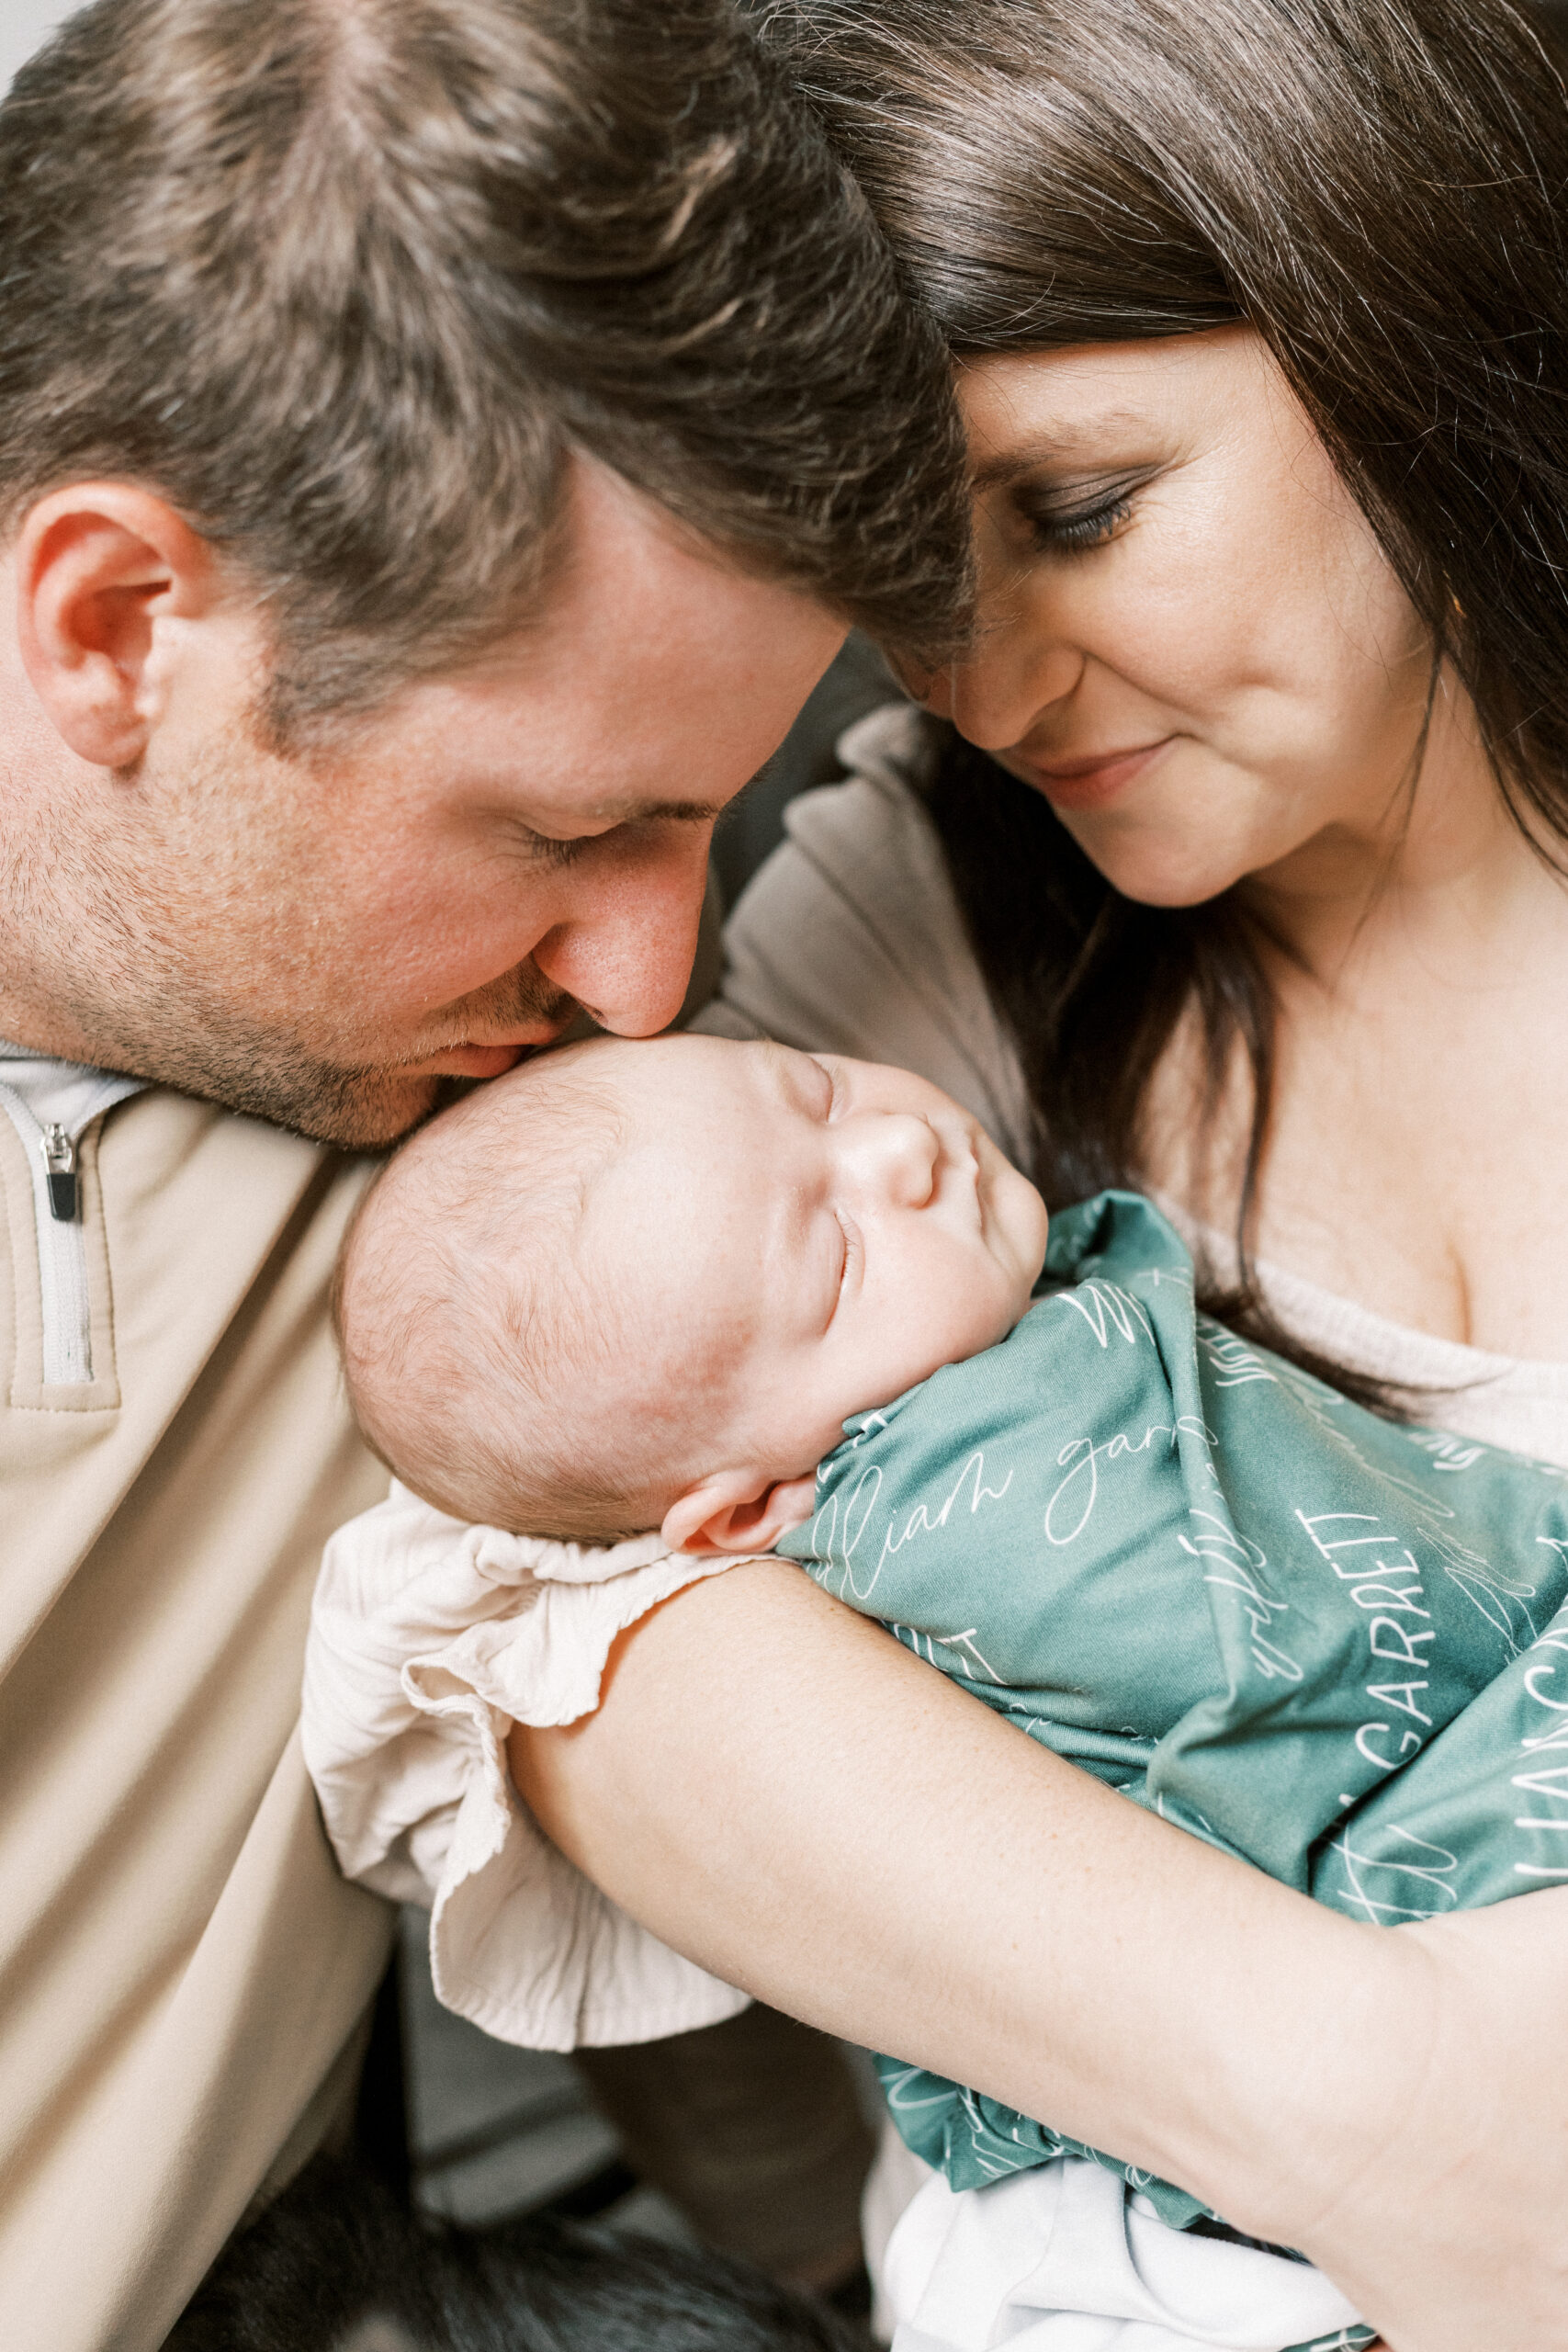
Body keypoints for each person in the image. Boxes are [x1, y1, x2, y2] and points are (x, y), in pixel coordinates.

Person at [499, 2, 1568, 2347]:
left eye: (1077, 510)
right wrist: (1367, 2104)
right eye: (896, 568)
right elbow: (524, 1621)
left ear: (1396, 288)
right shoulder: (918, 925)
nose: (981, 684)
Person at [0, 1, 972, 2344]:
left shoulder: (494, 1172)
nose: (650, 976)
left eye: (699, 815)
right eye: (564, 827)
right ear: (119, 627)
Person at [307, 1030, 1568, 2349]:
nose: (898, 1149)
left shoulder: (965, 1324)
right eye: (838, 1260)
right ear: (748, 1509)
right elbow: (1309, 1695)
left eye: (816, 1085)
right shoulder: (986, 1508)